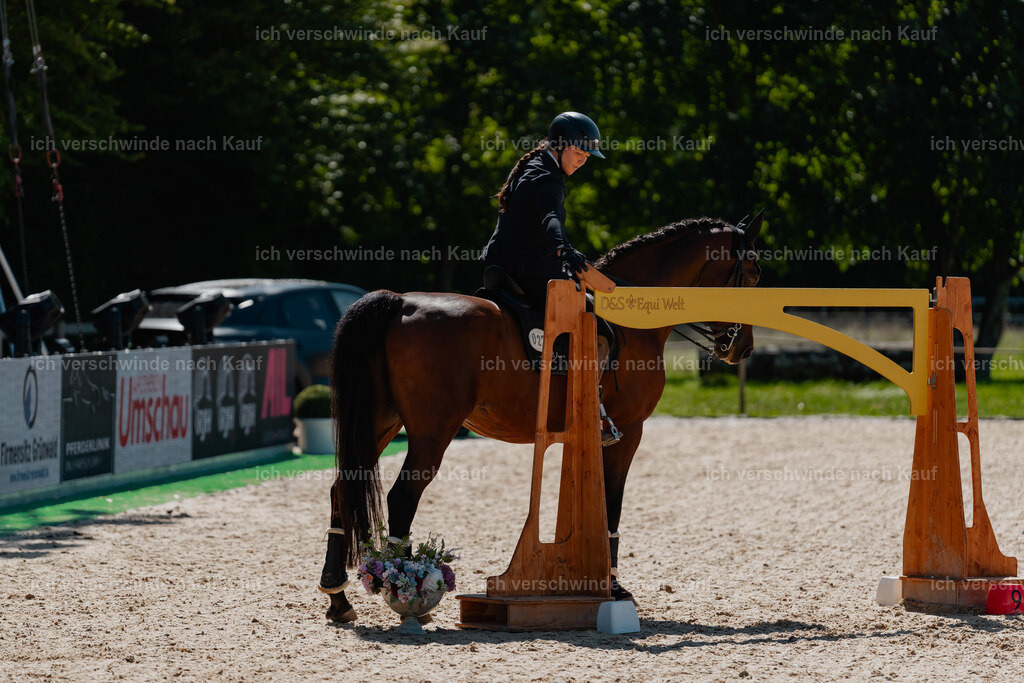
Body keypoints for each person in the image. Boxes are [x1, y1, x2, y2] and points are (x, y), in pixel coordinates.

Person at [481, 111, 620, 445]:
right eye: (579, 153)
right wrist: (564, 250)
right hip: (529, 271)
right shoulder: (547, 177)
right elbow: (550, 219)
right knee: (597, 325)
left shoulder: (537, 167)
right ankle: (592, 409)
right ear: (559, 146)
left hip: (506, 266)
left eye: (588, 157)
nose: (583, 161)